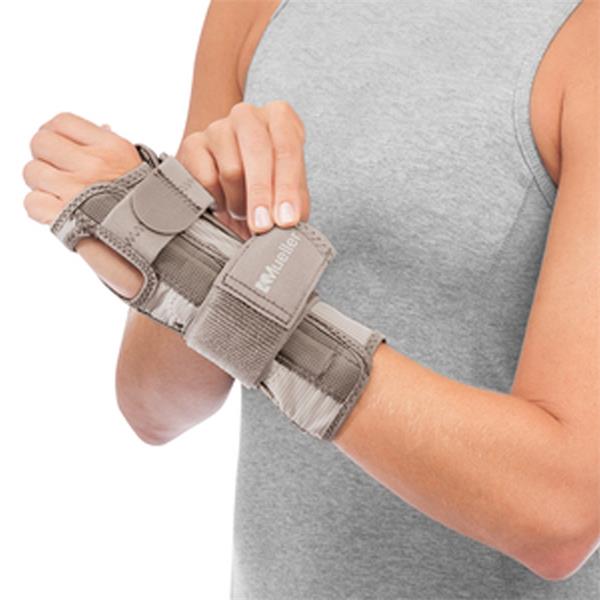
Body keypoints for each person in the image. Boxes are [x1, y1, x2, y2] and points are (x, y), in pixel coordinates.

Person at [22, 0, 599, 598]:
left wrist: (229, 291)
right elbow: (154, 411)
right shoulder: (251, 10)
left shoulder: (585, 38)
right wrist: (198, 245)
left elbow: (558, 513)